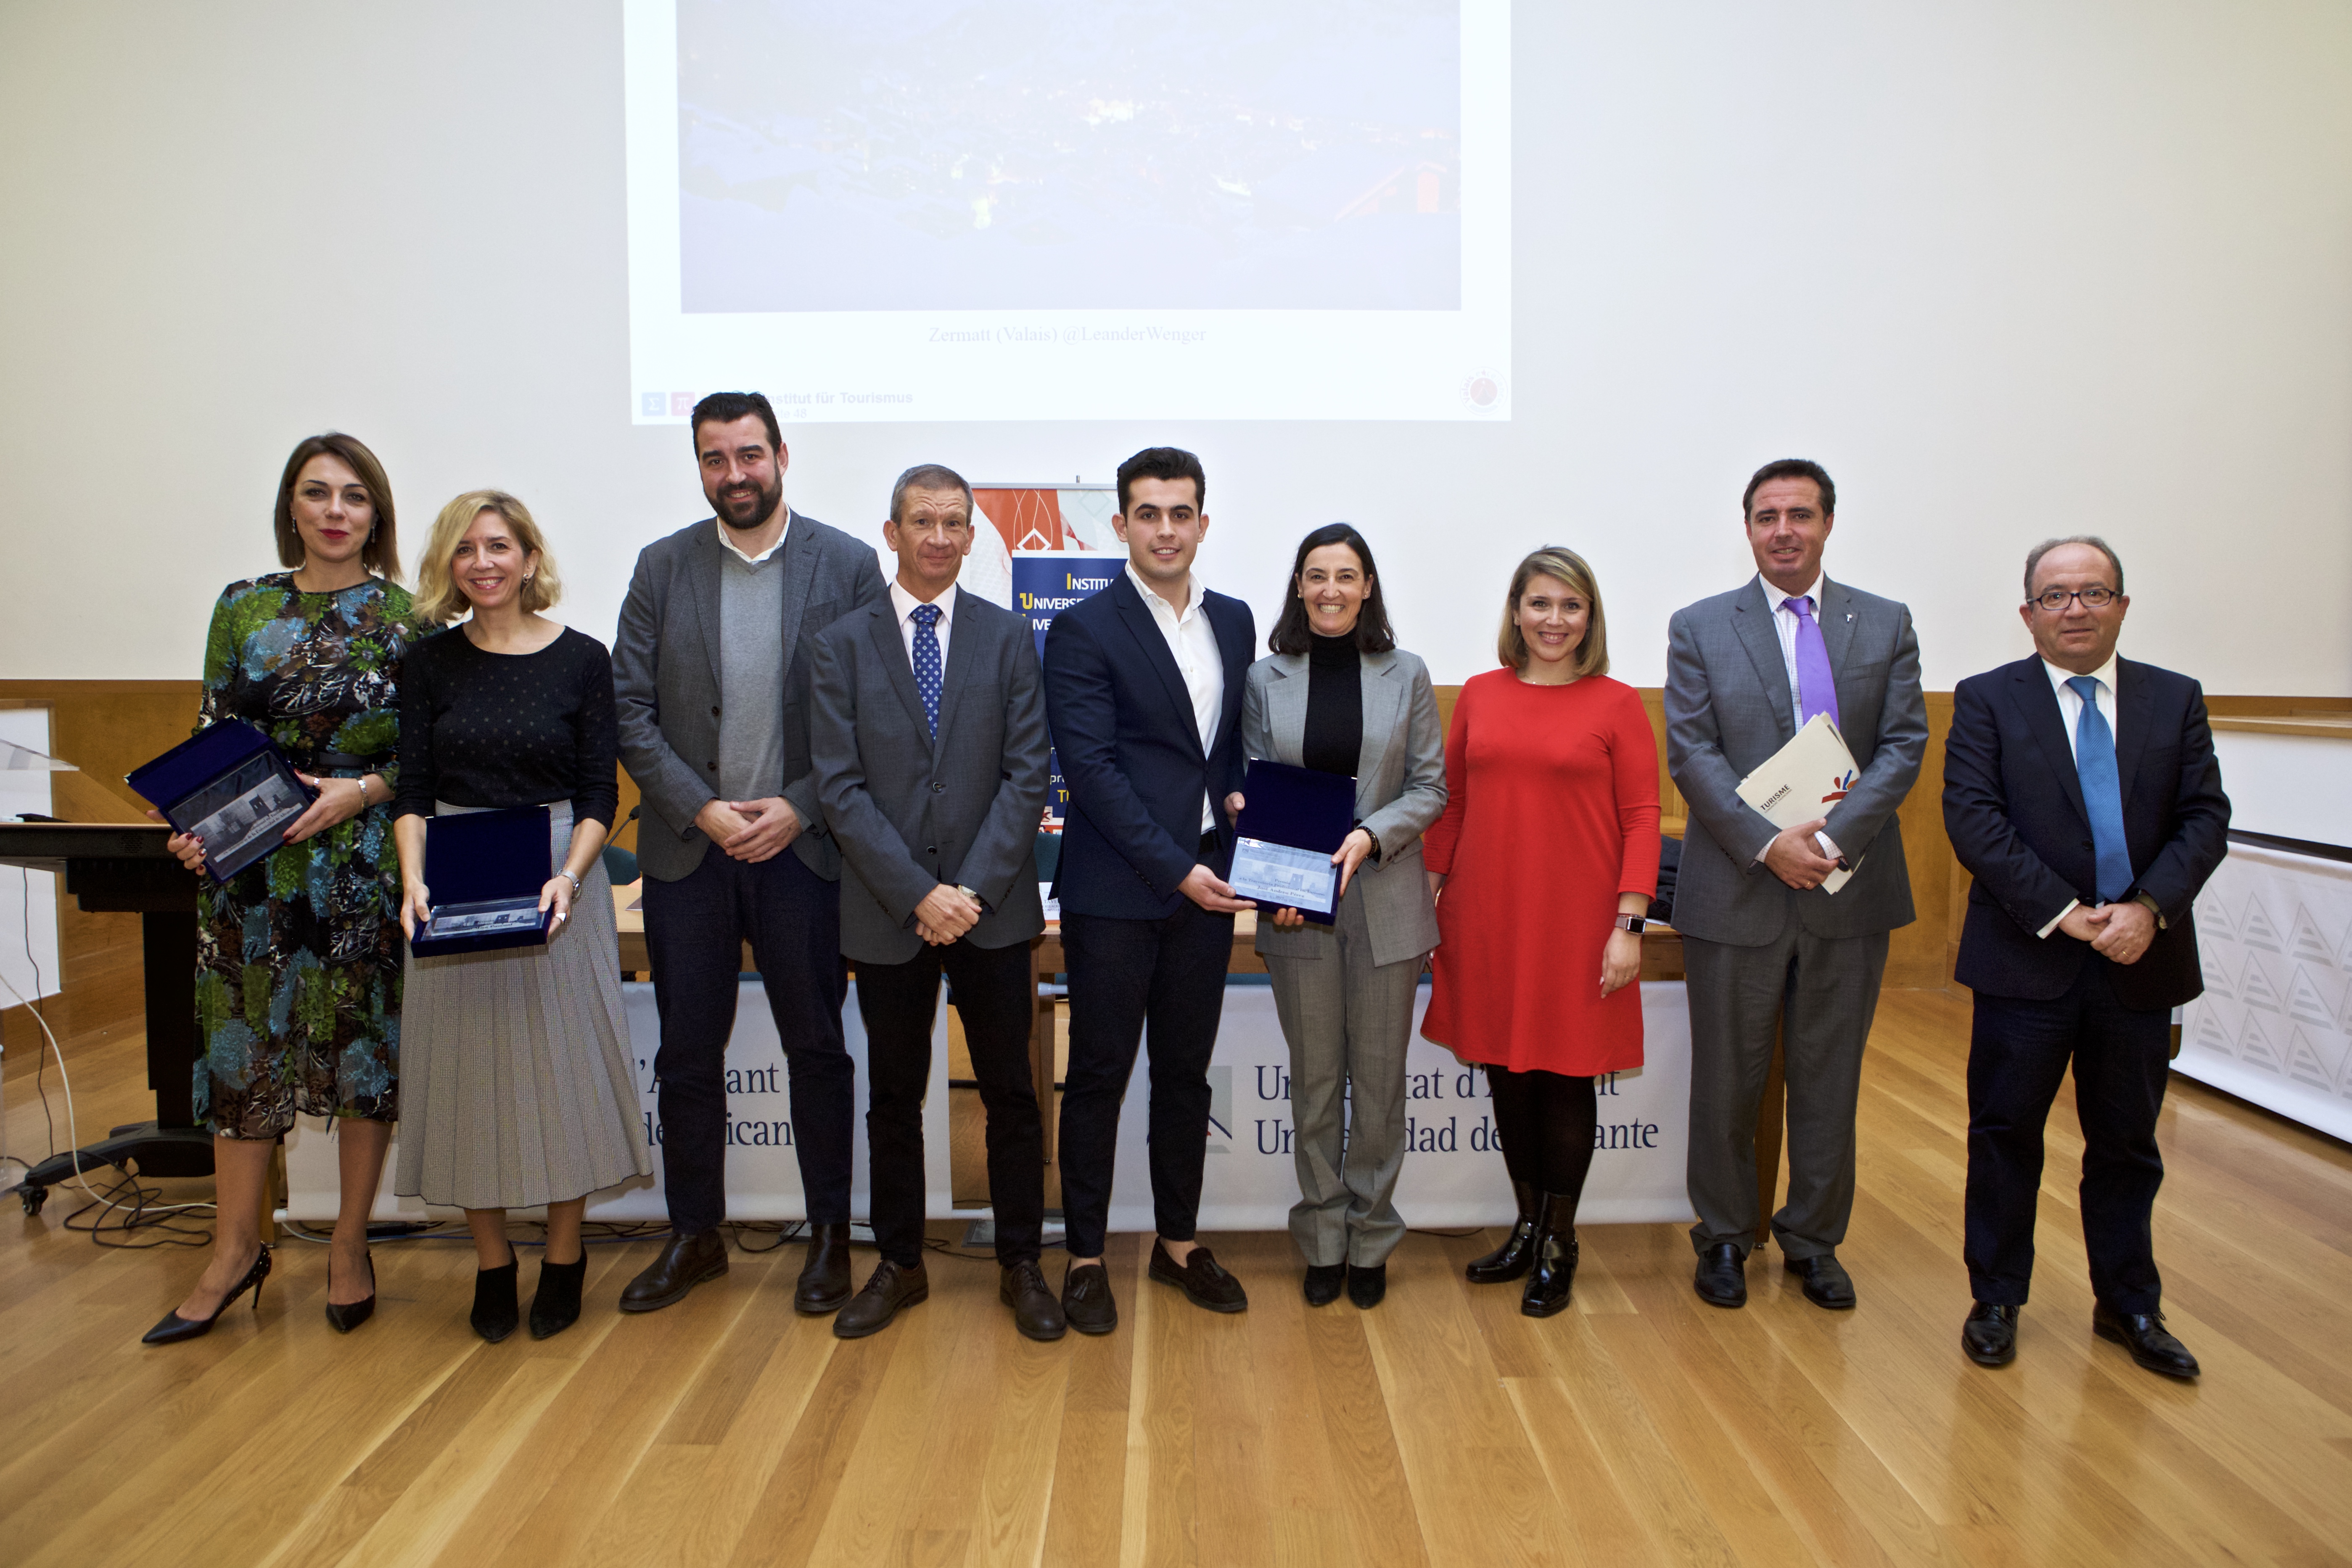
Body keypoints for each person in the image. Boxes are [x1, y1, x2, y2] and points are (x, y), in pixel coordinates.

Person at [611, 391, 886, 1314]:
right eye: (715, 458)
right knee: (687, 1051)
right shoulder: (662, 568)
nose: (735, 473)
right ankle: (696, 1236)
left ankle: (830, 1239)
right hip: (691, 854)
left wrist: (799, 808)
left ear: (781, 455)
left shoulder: (846, 566)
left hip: (804, 856)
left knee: (817, 1048)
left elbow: (869, 719)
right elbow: (631, 714)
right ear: (699, 466)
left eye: (750, 454)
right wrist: (705, 808)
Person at [143, 432, 414, 1346]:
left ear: (376, 515)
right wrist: (193, 828)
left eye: (354, 496)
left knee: (358, 1055)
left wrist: (361, 791)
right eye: (317, 493)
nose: (336, 510)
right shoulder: (242, 607)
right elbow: (210, 731)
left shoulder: (409, 620)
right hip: (251, 872)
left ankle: (348, 1243)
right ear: (291, 508)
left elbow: (424, 759)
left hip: (360, 867)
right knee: (241, 1053)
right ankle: (231, 1251)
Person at [1942, 537, 2227, 1377]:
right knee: (2003, 1135)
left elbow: (2205, 816)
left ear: (2122, 606)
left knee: (2127, 1143)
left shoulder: (2173, 701)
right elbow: (1973, 820)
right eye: (2055, 596)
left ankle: (2130, 1302)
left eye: (2092, 592)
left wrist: (2149, 908)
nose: (2074, 608)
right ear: (2027, 613)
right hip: (2027, 959)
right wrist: (2063, 912)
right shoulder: (1987, 700)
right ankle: (1995, 1296)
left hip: (2140, 961)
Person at [1664, 458, 1927, 1311]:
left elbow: (1903, 743)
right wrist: (1766, 843)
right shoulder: (1700, 626)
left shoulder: (1883, 623)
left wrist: (1832, 836)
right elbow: (1692, 753)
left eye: (1800, 514)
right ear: (1747, 527)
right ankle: (1724, 1236)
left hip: (1849, 889)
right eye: (1767, 515)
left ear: (1827, 523)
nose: (1784, 529)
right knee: (1726, 1079)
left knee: (1830, 1073)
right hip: (1737, 886)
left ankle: (1814, 1238)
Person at [391, 491, 653, 1342]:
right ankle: (494, 1260)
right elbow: (414, 790)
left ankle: (567, 1253)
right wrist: (413, 882)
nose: (484, 562)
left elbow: (596, 791)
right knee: (469, 1080)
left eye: (500, 545)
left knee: (562, 1076)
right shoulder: (428, 663)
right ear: (449, 565)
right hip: (455, 878)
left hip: (554, 879)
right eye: (465, 548)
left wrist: (571, 879)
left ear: (531, 559)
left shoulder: (582, 658)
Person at [810, 464, 1059, 1340]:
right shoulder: (840, 644)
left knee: (1011, 1093)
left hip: (992, 910)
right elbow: (839, 789)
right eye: (924, 521)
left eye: (957, 522)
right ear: (892, 533)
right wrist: (920, 893)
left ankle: (1022, 1261)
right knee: (893, 1097)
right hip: (889, 911)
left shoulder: (1008, 637)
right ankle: (901, 1261)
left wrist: (969, 891)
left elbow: (1027, 774)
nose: (941, 537)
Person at [1042, 446, 1256, 1331]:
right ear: (1121, 524)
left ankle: (1178, 1242)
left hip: (1207, 885)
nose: (1165, 528)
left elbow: (1227, 750)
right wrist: (1177, 867)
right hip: (1120, 890)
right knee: (1096, 1073)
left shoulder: (1236, 621)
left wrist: (1245, 810)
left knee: (1184, 1075)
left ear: (1203, 522)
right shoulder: (1084, 630)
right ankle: (1086, 1254)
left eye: (1181, 512)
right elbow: (1090, 770)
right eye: (1147, 512)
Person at [1420, 547, 1658, 1317]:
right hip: (1486, 914)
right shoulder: (1481, 695)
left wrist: (1629, 923)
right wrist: (1427, 894)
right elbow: (1452, 804)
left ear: (1589, 618)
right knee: (1507, 1075)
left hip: (1578, 922)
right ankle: (1526, 1225)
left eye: (1570, 606)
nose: (1554, 620)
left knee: (1562, 1077)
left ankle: (1560, 1241)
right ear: (1515, 612)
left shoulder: (1617, 703)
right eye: (1540, 603)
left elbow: (1641, 819)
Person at [1237, 524, 1445, 1310]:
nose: (1331, 589)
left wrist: (1369, 834)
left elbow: (1430, 787)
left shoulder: (1408, 673)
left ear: (1367, 588)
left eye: (1346, 576)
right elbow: (1258, 795)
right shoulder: (1266, 677)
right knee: (1317, 1082)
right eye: (1316, 575)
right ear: (1298, 586)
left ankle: (1372, 1234)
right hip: (1298, 909)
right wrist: (1272, 877)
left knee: (1381, 1084)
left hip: (1386, 900)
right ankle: (1323, 1236)